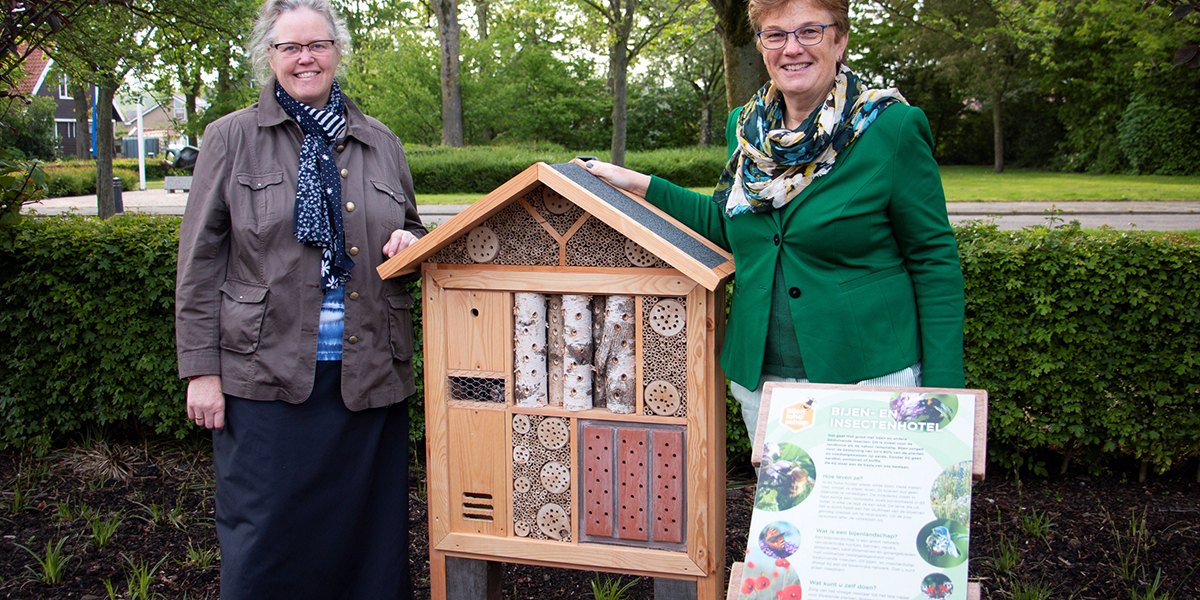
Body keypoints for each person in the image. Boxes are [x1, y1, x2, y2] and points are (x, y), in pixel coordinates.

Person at [585, 0, 964, 444]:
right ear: (763, 46)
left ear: (840, 40)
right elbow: (733, 225)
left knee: (867, 511)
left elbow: (934, 259)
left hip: (870, 375)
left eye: (810, 32)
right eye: (776, 34)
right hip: (762, 378)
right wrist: (638, 184)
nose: (792, 48)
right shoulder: (745, 129)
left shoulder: (890, 127)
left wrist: (944, 388)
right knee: (787, 509)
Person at [174, 1, 425, 598]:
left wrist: (410, 241)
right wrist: (201, 372)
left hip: (367, 378)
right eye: (290, 48)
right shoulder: (231, 137)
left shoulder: (380, 142)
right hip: (266, 376)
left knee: (369, 540)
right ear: (270, 56)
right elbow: (200, 263)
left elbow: (414, 235)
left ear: (338, 53)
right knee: (268, 538)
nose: (305, 58)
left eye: (317, 45)